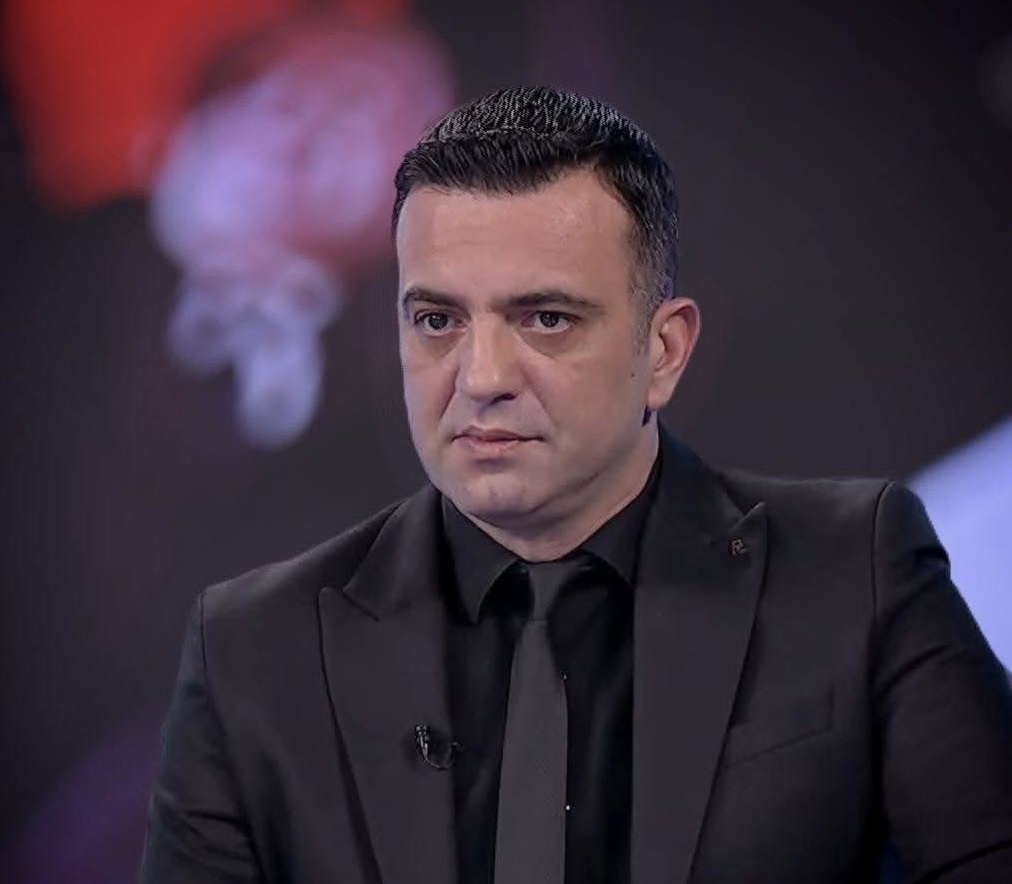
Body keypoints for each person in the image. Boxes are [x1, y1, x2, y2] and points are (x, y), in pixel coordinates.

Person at [139, 86, 1012, 884]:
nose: (482, 376)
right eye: (437, 320)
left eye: (546, 318)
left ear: (663, 351)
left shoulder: (855, 574)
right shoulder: (252, 650)